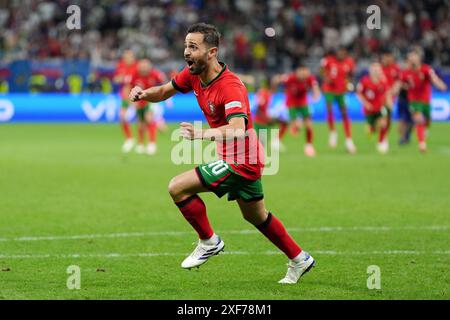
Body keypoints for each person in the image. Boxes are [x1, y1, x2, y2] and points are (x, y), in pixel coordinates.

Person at [129, 23, 315, 284]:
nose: (186, 52)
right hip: (240, 157)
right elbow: (163, 91)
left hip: (241, 160)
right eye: (186, 45)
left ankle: (209, 241)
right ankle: (299, 259)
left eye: (193, 47)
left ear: (212, 51)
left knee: (177, 187)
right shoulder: (194, 74)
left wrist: (200, 134)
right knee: (255, 216)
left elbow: (239, 128)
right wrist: (142, 94)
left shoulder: (230, 86)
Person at [399, 48, 447, 152]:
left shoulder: (426, 69)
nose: (412, 59)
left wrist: (440, 85)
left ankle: (424, 130)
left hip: (425, 100)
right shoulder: (406, 72)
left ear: (419, 58)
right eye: (410, 57)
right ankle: (422, 144)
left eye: (414, 57)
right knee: (419, 119)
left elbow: (434, 78)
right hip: (413, 101)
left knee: (427, 120)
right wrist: (402, 87)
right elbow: (400, 83)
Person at [272, 66, 321, 157]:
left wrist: (316, 94)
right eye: (302, 72)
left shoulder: (310, 78)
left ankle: (308, 145)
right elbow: (277, 79)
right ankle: (277, 140)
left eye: (305, 72)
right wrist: (276, 82)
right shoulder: (290, 78)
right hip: (291, 103)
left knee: (308, 125)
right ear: (298, 72)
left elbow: (315, 87)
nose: (304, 74)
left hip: (303, 103)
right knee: (291, 124)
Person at [320, 48, 356, 153]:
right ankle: (332, 132)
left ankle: (348, 139)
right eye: (339, 52)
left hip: (341, 90)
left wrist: (348, 83)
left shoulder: (349, 62)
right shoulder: (329, 60)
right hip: (329, 89)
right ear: (336, 53)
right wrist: (326, 77)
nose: (341, 54)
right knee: (329, 109)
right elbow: (321, 70)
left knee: (344, 113)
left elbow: (351, 75)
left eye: (343, 52)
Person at [126, 59, 166, 155]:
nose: (144, 68)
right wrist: (131, 100)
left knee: (149, 119)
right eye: (142, 66)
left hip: (152, 100)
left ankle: (152, 144)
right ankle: (140, 143)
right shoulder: (134, 74)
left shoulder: (154, 74)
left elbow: (164, 83)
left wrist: (165, 98)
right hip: (139, 102)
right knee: (140, 123)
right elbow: (128, 87)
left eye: (146, 66)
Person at [357, 62, 391, 154]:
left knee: (384, 124)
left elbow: (387, 92)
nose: (376, 71)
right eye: (374, 70)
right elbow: (359, 93)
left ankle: (381, 142)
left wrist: (388, 102)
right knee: (370, 130)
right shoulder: (364, 81)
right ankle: (371, 129)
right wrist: (365, 103)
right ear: (370, 71)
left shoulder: (383, 81)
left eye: (378, 70)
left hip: (380, 108)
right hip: (369, 110)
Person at [253, 77, 288, 150]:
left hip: (264, 120)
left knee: (284, 122)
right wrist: (267, 119)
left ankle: (276, 141)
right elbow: (258, 110)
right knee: (261, 146)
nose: (277, 85)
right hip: (261, 122)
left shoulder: (268, 94)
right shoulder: (264, 94)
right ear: (270, 84)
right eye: (275, 83)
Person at [113, 50, 138, 153]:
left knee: (143, 119)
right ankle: (129, 139)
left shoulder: (137, 66)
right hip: (125, 96)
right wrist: (123, 78)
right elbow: (116, 79)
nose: (128, 58)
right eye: (126, 57)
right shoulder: (121, 65)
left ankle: (144, 143)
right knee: (122, 116)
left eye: (130, 56)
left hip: (138, 95)